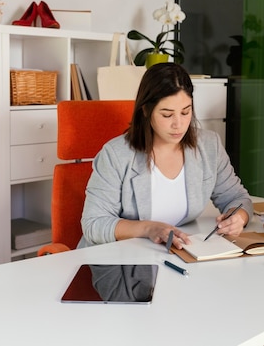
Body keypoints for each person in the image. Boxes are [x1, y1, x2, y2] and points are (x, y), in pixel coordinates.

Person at [78, 62, 252, 249]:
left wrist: (237, 217)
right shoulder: (116, 155)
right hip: (118, 262)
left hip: (177, 255)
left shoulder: (209, 146)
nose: (179, 124)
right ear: (146, 110)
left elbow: (237, 197)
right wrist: (148, 229)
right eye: (167, 115)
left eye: (185, 112)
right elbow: (93, 224)